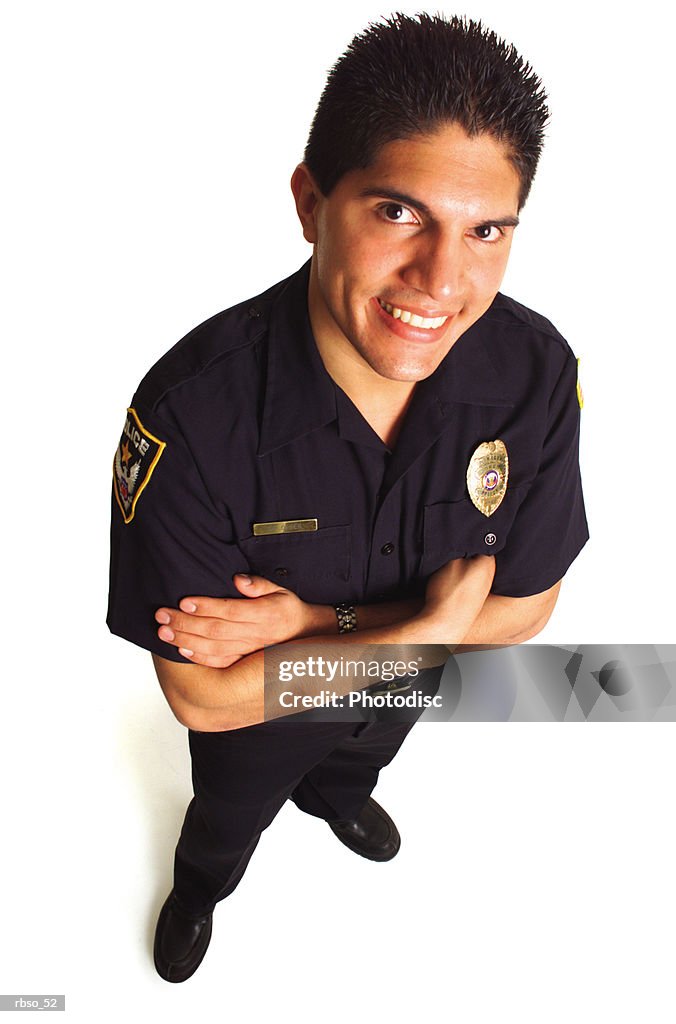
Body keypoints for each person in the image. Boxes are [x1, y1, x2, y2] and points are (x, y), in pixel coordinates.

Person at [107, 12, 588, 983]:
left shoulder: (535, 372)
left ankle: (337, 796)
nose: (441, 281)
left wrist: (321, 626)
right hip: (253, 737)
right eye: (399, 212)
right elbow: (204, 695)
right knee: (223, 820)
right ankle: (200, 887)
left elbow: (529, 608)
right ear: (310, 200)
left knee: (360, 761)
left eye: (486, 229)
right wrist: (428, 628)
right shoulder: (191, 416)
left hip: (394, 700)